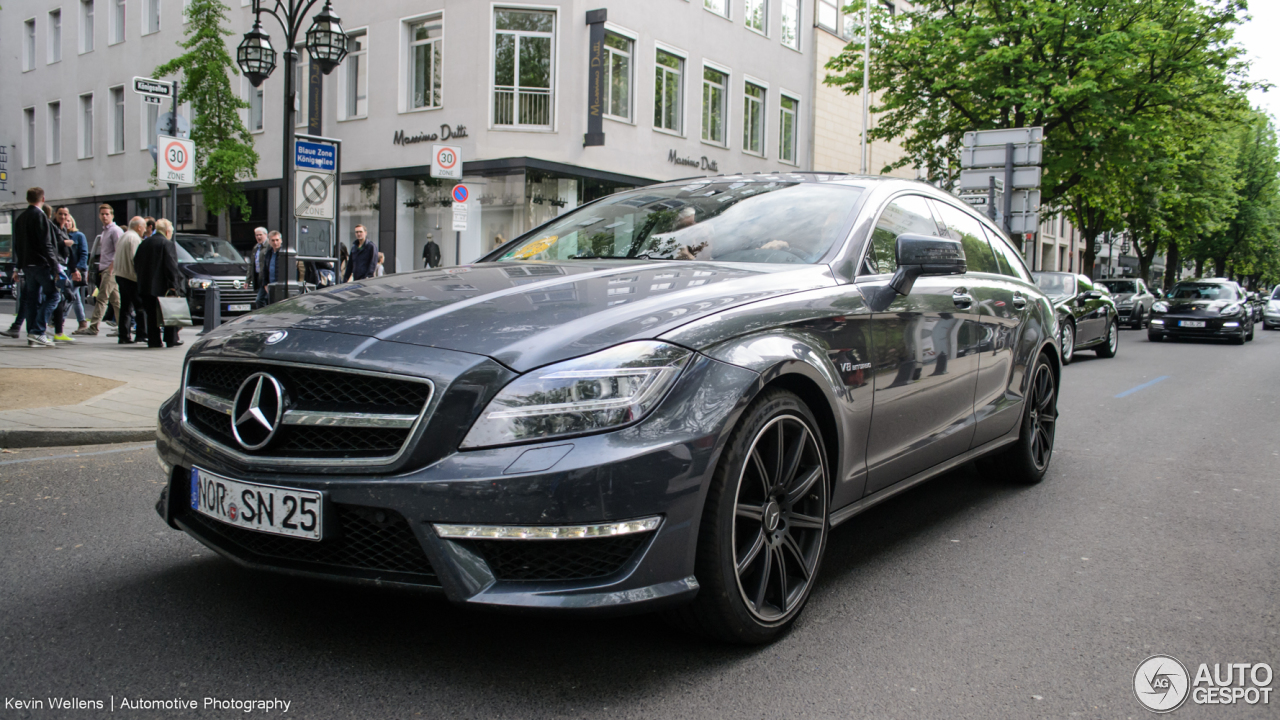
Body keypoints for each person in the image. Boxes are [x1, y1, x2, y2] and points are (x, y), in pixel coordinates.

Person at [12, 188, 61, 347]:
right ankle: (38, 331)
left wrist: (18, 266)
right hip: (41, 264)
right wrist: (55, 266)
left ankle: (32, 333)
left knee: (32, 299)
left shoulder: (20, 218)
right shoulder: (40, 216)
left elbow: (17, 245)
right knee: (54, 296)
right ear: (43, 198)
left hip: (27, 265)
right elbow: (46, 244)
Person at [134, 219, 185, 348]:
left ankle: (154, 340)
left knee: (151, 315)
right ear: (167, 232)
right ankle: (171, 339)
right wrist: (174, 286)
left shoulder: (144, 243)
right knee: (169, 312)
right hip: (162, 287)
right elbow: (171, 267)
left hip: (145, 286)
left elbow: (136, 262)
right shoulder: (167, 244)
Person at [85, 204, 123, 335]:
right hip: (106, 268)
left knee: (102, 298)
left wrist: (111, 268)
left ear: (112, 215)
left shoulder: (115, 230)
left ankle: (94, 327)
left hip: (110, 269)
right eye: (102, 214)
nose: (104, 216)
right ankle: (123, 326)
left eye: (107, 214)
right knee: (116, 301)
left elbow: (119, 250)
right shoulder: (105, 231)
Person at [113, 217, 149, 345]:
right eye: (144, 227)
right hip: (130, 277)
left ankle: (123, 335)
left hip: (120, 275)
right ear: (139, 227)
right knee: (140, 306)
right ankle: (141, 334)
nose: (145, 230)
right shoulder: (134, 238)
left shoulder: (124, 236)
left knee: (125, 307)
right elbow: (136, 259)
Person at [59, 209, 90, 334]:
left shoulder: (78, 236)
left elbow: (83, 253)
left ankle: (60, 320)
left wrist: (79, 269)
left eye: (69, 221)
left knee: (69, 295)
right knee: (75, 297)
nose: (67, 223)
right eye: (65, 221)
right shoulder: (62, 236)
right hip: (66, 270)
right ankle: (82, 322)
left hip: (77, 270)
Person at [256, 231, 284, 307]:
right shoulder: (268, 253)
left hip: (279, 284)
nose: (275, 243)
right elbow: (265, 269)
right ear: (269, 241)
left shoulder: (283, 253)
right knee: (259, 300)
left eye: (277, 240)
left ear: (281, 240)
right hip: (269, 283)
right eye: (273, 240)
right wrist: (265, 284)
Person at [246, 226, 269, 307]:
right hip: (258, 278)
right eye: (256, 235)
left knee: (259, 300)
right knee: (264, 299)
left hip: (266, 279)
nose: (258, 237)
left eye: (260, 235)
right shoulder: (256, 247)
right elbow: (251, 264)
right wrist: (248, 280)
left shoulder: (269, 246)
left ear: (266, 235)